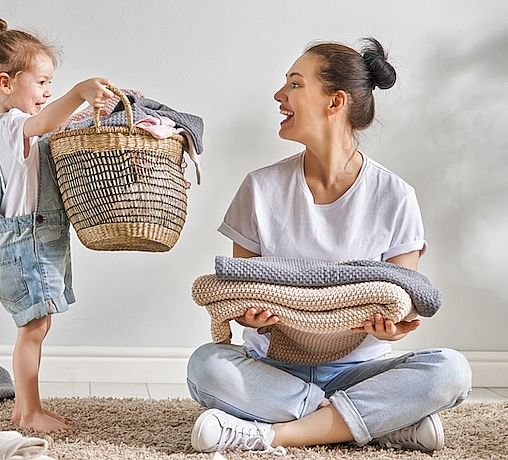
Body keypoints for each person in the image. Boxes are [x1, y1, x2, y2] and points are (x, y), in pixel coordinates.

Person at [187, 38, 472, 454]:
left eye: (295, 84)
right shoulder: (260, 188)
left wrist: (395, 327)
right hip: (274, 369)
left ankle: (273, 434)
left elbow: (403, 299)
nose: (279, 95)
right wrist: (249, 317)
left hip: (359, 370)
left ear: (334, 101)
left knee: (451, 370)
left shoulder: (394, 195)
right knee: (206, 366)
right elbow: (241, 290)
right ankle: (376, 423)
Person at [0, 18, 113, 432]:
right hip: (23, 248)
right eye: (41, 82)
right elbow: (47, 121)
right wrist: (78, 92)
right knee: (33, 328)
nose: (48, 91)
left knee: (37, 325)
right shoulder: (10, 126)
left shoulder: (24, 134)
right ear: (5, 83)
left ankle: (24, 409)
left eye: (50, 83)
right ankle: (31, 412)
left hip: (34, 245)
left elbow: (50, 130)